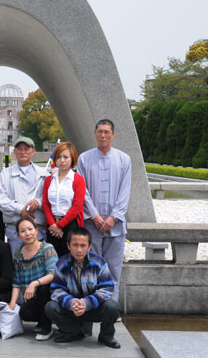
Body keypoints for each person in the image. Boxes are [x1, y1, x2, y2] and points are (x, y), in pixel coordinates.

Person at [78, 119, 131, 303]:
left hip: (115, 225)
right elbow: (82, 191)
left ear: (113, 134)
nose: (103, 135)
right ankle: (92, 306)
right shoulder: (84, 159)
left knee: (114, 270)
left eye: (107, 132)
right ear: (95, 133)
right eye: (100, 131)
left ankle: (111, 308)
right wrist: (95, 215)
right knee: (91, 269)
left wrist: (113, 217)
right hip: (92, 224)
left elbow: (125, 191)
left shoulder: (124, 159)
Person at [45, 227, 120, 348]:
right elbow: (56, 290)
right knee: (50, 307)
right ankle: (73, 332)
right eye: (75, 245)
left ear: (89, 246)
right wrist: (72, 303)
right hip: (71, 308)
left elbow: (107, 288)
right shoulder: (61, 263)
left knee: (112, 306)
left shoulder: (99, 262)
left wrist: (86, 303)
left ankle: (106, 335)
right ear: (68, 246)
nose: (79, 250)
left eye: (83, 245)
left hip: (93, 307)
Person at [0, 136, 50, 254]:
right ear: (14, 152)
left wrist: (38, 202)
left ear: (33, 151)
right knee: (16, 262)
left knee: (39, 261)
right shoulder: (5, 175)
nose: (23, 152)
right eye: (19, 149)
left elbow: (50, 196)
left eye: (26, 149)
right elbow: (0, 198)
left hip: (38, 230)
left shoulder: (44, 174)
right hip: (14, 231)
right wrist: (20, 209)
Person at [9, 217, 58, 341]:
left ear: (36, 230)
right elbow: (16, 283)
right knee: (24, 312)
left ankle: (47, 328)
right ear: (18, 235)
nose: (27, 233)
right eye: (22, 231)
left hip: (51, 295)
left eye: (30, 229)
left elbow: (53, 274)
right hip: (34, 297)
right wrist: (12, 304)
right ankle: (41, 321)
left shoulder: (47, 248)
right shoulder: (19, 254)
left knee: (43, 289)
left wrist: (34, 283)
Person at [42, 142, 85, 257]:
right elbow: (46, 204)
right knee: (52, 260)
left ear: (72, 159)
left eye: (66, 157)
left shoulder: (78, 180)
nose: (62, 160)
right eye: (59, 157)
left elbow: (77, 207)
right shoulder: (49, 180)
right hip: (52, 226)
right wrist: (53, 225)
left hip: (70, 225)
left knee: (69, 260)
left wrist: (60, 225)